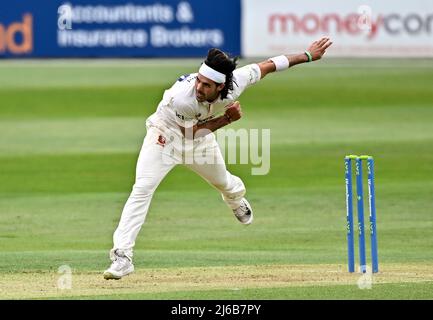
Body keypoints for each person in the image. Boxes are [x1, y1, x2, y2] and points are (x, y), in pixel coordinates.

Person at [103, 37, 333, 280]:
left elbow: (268, 65)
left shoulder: (237, 82)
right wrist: (227, 119)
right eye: (199, 81)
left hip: (200, 141)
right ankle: (122, 256)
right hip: (165, 137)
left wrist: (307, 55)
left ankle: (235, 199)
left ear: (221, 87)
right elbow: (188, 133)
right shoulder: (183, 97)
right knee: (142, 188)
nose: (199, 88)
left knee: (224, 182)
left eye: (206, 85)